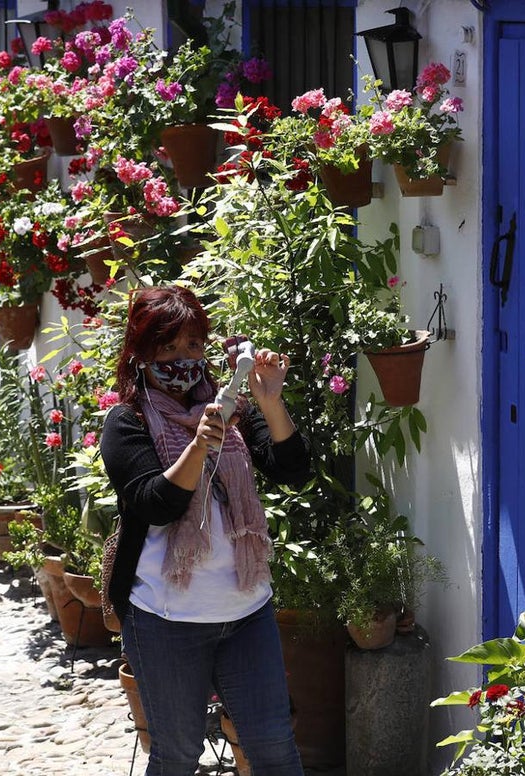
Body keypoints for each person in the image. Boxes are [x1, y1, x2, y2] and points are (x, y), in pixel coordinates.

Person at [101, 286, 308, 776]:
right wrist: (198, 446)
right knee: (175, 756)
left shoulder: (231, 413)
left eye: (192, 345)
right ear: (140, 354)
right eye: (167, 347)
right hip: (163, 620)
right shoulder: (125, 422)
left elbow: (292, 470)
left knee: (276, 749)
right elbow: (156, 503)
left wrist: (271, 402)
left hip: (246, 610)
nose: (181, 358)